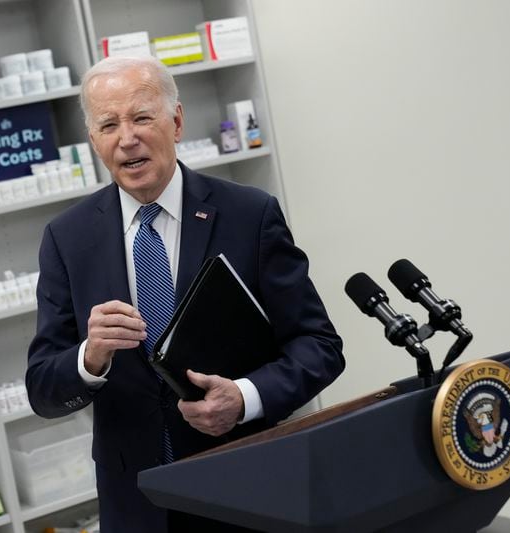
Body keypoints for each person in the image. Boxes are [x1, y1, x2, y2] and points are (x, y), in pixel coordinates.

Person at [26, 55, 344, 532]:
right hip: (136, 503)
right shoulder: (67, 239)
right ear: (94, 142)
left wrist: (245, 397)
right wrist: (89, 358)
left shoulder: (249, 215)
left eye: (141, 117)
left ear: (175, 122)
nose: (127, 138)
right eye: (109, 124)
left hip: (246, 482)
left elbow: (319, 347)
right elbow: (43, 390)